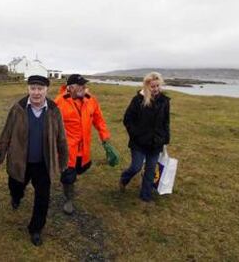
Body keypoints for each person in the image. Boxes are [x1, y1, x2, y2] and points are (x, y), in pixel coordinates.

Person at [0, 75, 68, 246]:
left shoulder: (53, 109)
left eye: (40, 89)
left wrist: (63, 160)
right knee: (16, 186)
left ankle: (36, 228)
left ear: (46, 90)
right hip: (20, 161)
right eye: (33, 88)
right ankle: (16, 196)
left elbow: (61, 137)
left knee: (43, 197)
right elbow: (5, 135)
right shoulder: (18, 108)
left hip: (43, 163)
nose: (36, 93)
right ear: (28, 89)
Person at [54, 74, 119, 215]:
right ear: (70, 87)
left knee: (80, 170)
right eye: (80, 85)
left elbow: (99, 121)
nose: (84, 87)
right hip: (67, 149)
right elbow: (51, 126)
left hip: (84, 150)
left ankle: (70, 183)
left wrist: (106, 140)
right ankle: (68, 199)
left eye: (84, 84)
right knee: (68, 175)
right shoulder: (59, 102)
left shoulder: (91, 100)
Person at [119, 72, 170, 202]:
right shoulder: (138, 100)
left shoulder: (164, 101)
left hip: (156, 142)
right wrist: (136, 134)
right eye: (153, 86)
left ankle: (145, 196)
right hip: (139, 142)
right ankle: (124, 178)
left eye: (158, 85)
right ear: (147, 86)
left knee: (151, 170)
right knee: (136, 167)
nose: (156, 89)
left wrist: (165, 138)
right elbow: (127, 119)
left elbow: (166, 121)